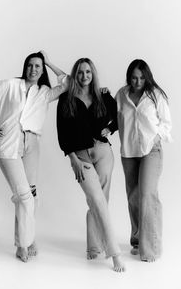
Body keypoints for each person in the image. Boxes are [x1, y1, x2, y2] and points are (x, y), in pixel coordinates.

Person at [0, 51, 68, 262]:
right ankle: (24, 244)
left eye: (38, 66)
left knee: (30, 196)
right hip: (8, 144)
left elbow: (67, 82)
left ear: (42, 70)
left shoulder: (44, 92)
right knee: (24, 196)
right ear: (25, 67)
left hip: (32, 144)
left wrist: (49, 61)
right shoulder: (9, 85)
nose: (33, 69)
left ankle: (27, 237)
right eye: (30, 65)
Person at [57, 58, 125, 273]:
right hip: (80, 157)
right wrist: (72, 158)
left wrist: (110, 130)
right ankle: (114, 254)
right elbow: (62, 132)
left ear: (93, 74)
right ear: (74, 75)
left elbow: (117, 117)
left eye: (88, 72)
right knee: (96, 199)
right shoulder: (66, 99)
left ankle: (93, 247)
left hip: (103, 152)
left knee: (101, 201)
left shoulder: (102, 95)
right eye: (80, 72)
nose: (84, 76)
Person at [115, 59, 172, 262]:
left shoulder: (156, 95)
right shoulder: (121, 94)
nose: (138, 82)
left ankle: (152, 248)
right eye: (134, 77)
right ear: (129, 77)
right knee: (133, 197)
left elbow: (166, 124)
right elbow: (115, 118)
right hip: (129, 151)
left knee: (147, 195)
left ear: (147, 77)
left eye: (141, 78)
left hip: (151, 150)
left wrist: (156, 137)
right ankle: (138, 241)